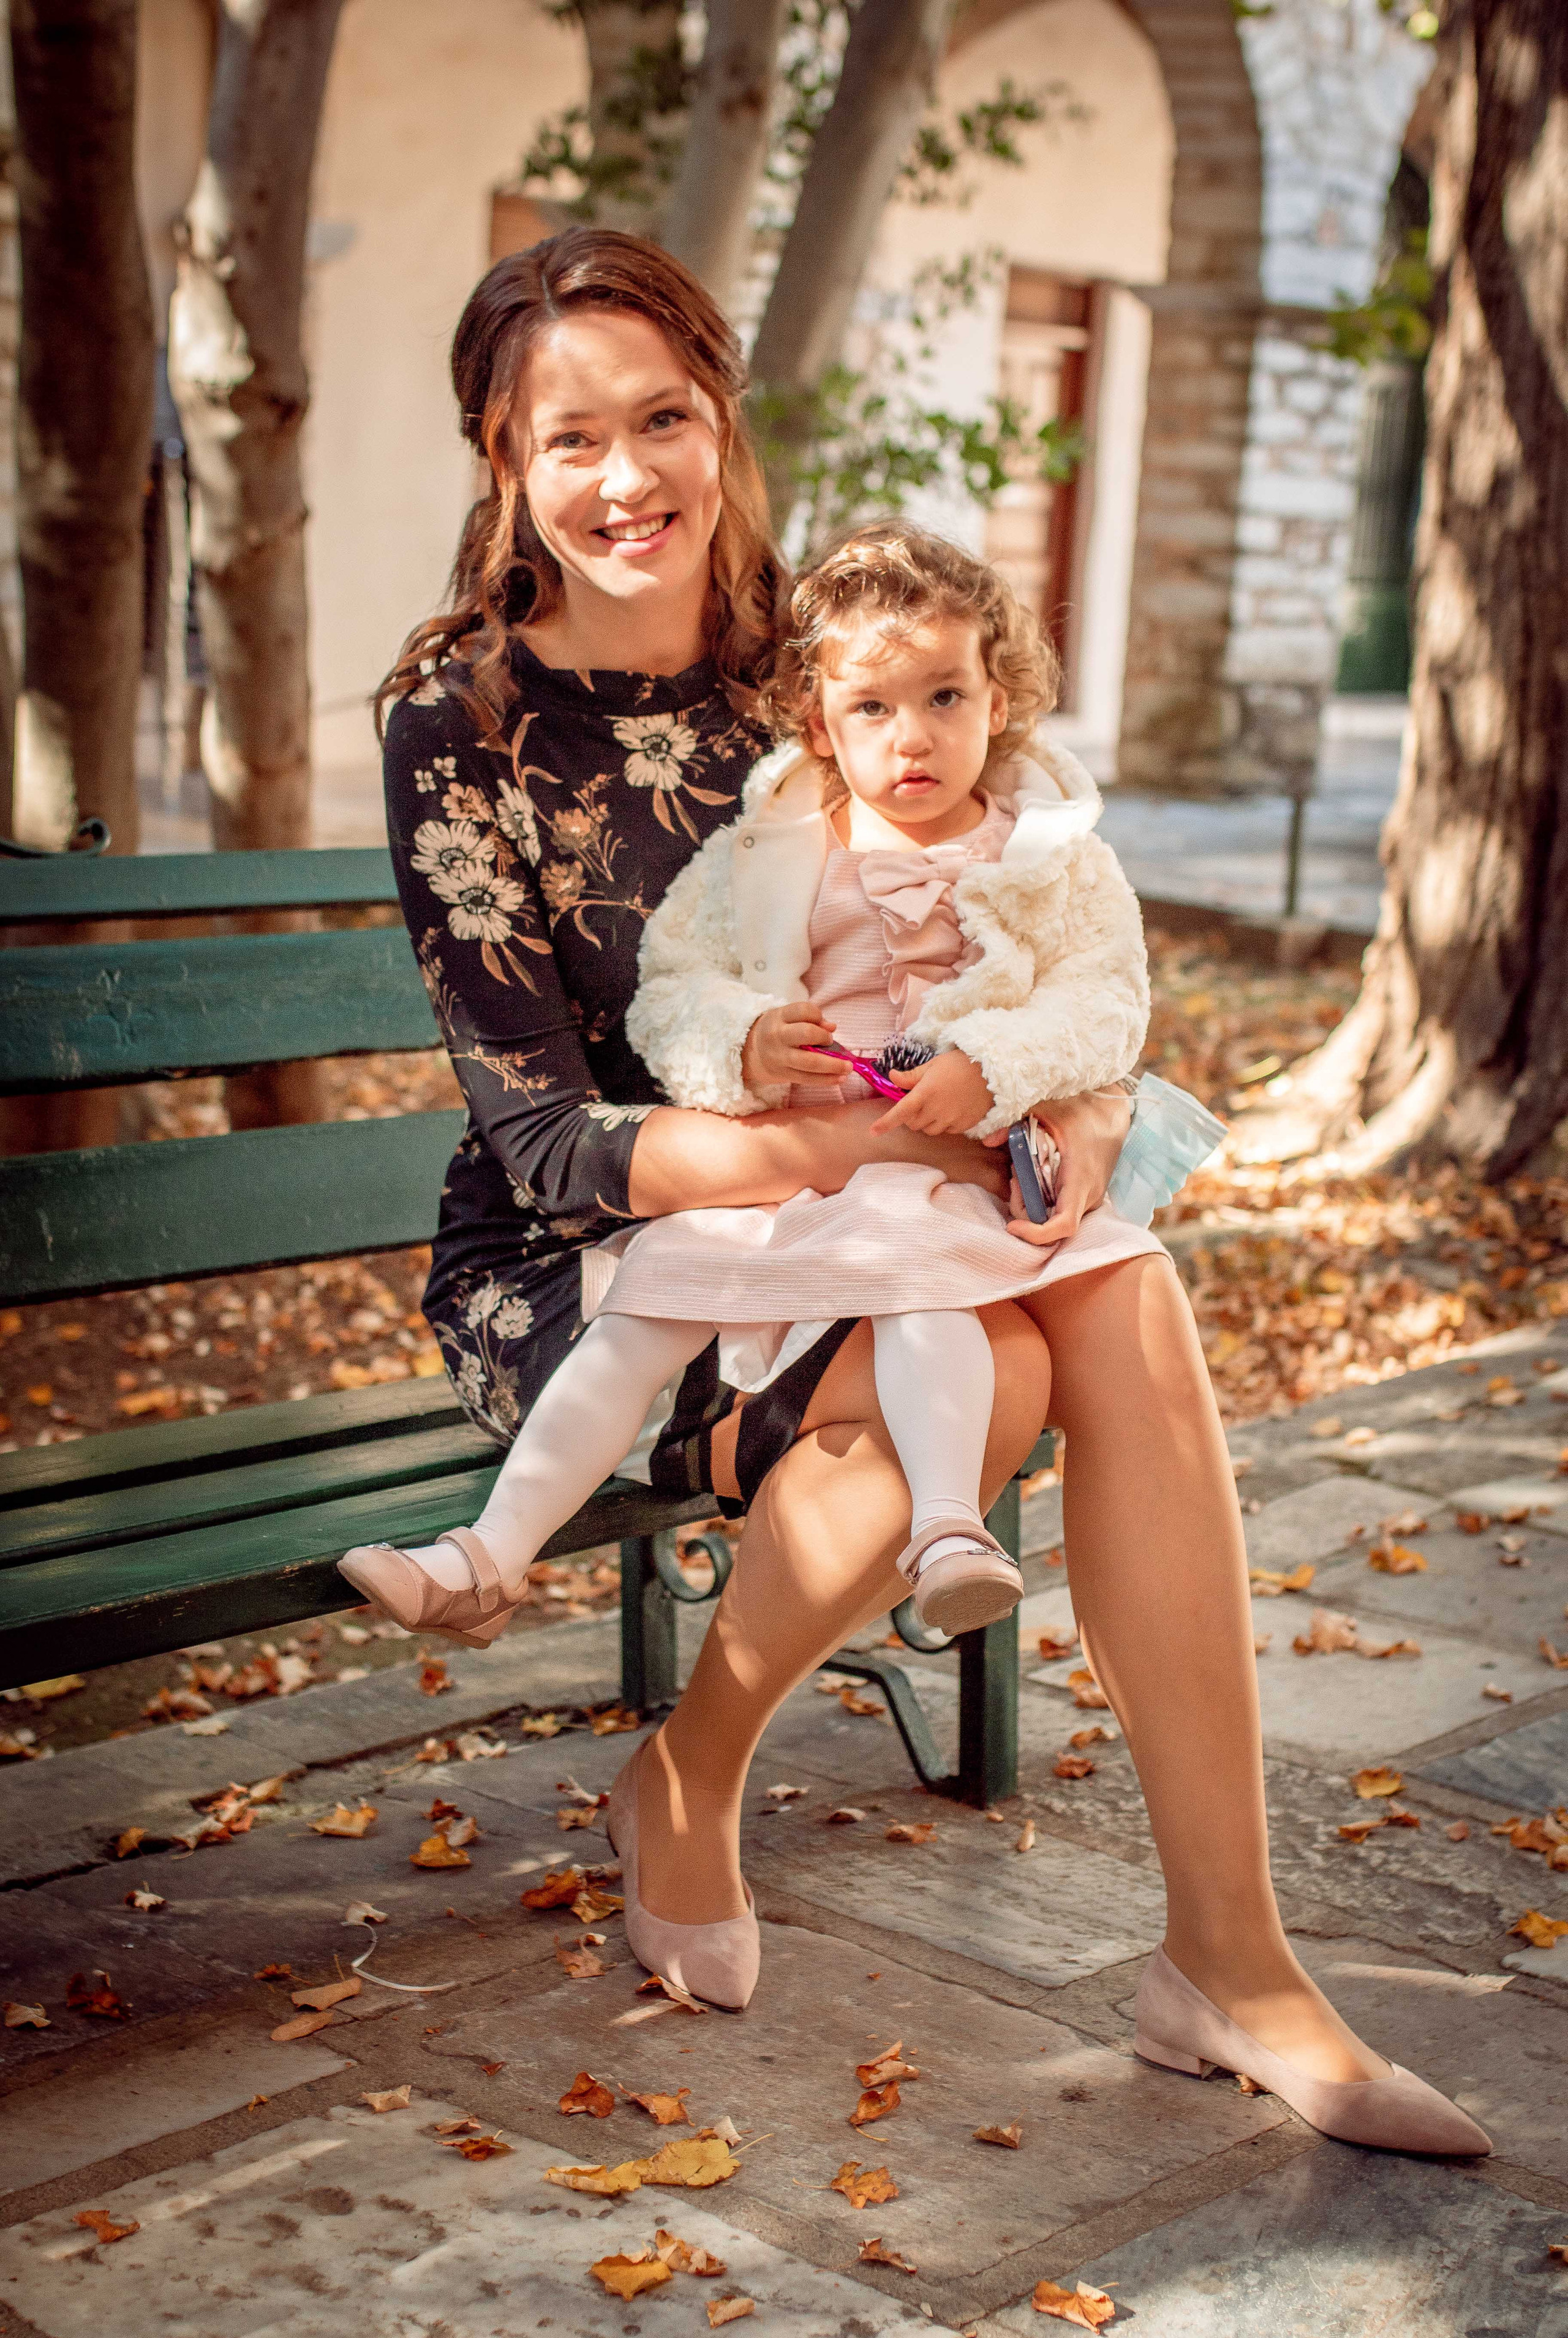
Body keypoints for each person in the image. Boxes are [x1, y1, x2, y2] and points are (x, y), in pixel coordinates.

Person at [346, 225, 1488, 2156]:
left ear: (724, 423)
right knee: (997, 1379)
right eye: (569, 439)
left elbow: (1043, 913)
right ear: (501, 459)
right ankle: (689, 1779)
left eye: (665, 419)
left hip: (903, 1193)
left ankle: (1230, 1952)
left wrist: (1090, 1103)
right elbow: (545, 1134)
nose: (627, 478)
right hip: (601, 1251)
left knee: (1120, 1297)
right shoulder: (458, 723)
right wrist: (864, 1136)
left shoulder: (835, 649)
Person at [347, 521, 1169, 1650]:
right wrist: (742, 1043)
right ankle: (487, 1557)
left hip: (940, 1173)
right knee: (646, 1306)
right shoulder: (775, 846)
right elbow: (672, 985)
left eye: (945, 698)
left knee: (920, 1290)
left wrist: (1001, 1063)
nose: (912, 738)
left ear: (1002, 697)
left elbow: (1107, 999)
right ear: (822, 723)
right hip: (785, 1171)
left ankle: (944, 1534)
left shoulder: (1050, 857)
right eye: (872, 709)